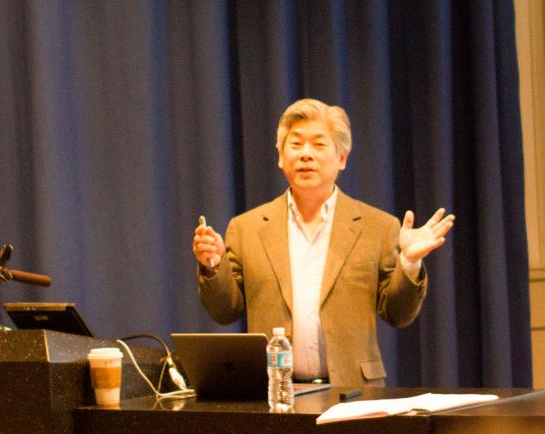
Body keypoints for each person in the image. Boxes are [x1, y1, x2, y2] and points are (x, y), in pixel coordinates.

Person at [192, 98, 454, 387]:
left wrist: (410, 261)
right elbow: (225, 311)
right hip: (276, 395)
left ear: (342, 158)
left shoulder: (378, 226)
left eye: (319, 145)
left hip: (354, 394)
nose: (306, 154)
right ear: (280, 156)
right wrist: (213, 266)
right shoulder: (246, 228)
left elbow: (398, 315)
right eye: (296, 144)